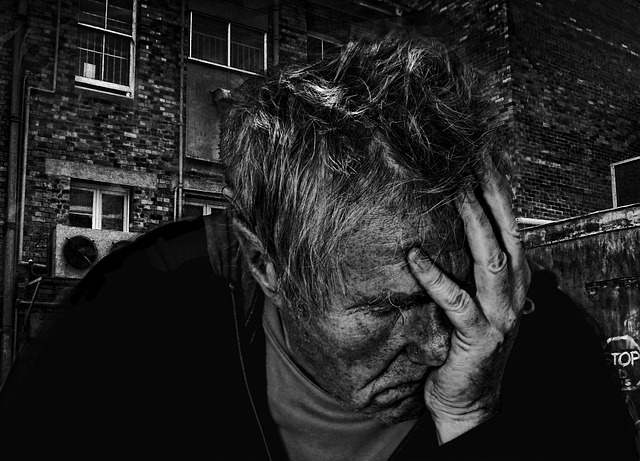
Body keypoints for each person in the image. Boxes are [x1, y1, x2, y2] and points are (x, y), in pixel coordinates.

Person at [0, 32, 637, 460]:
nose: (445, 346)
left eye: (462, 290)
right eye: (389, 307)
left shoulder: (551, 346)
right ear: (266, 264)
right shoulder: (138, 319)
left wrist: (469, 421)